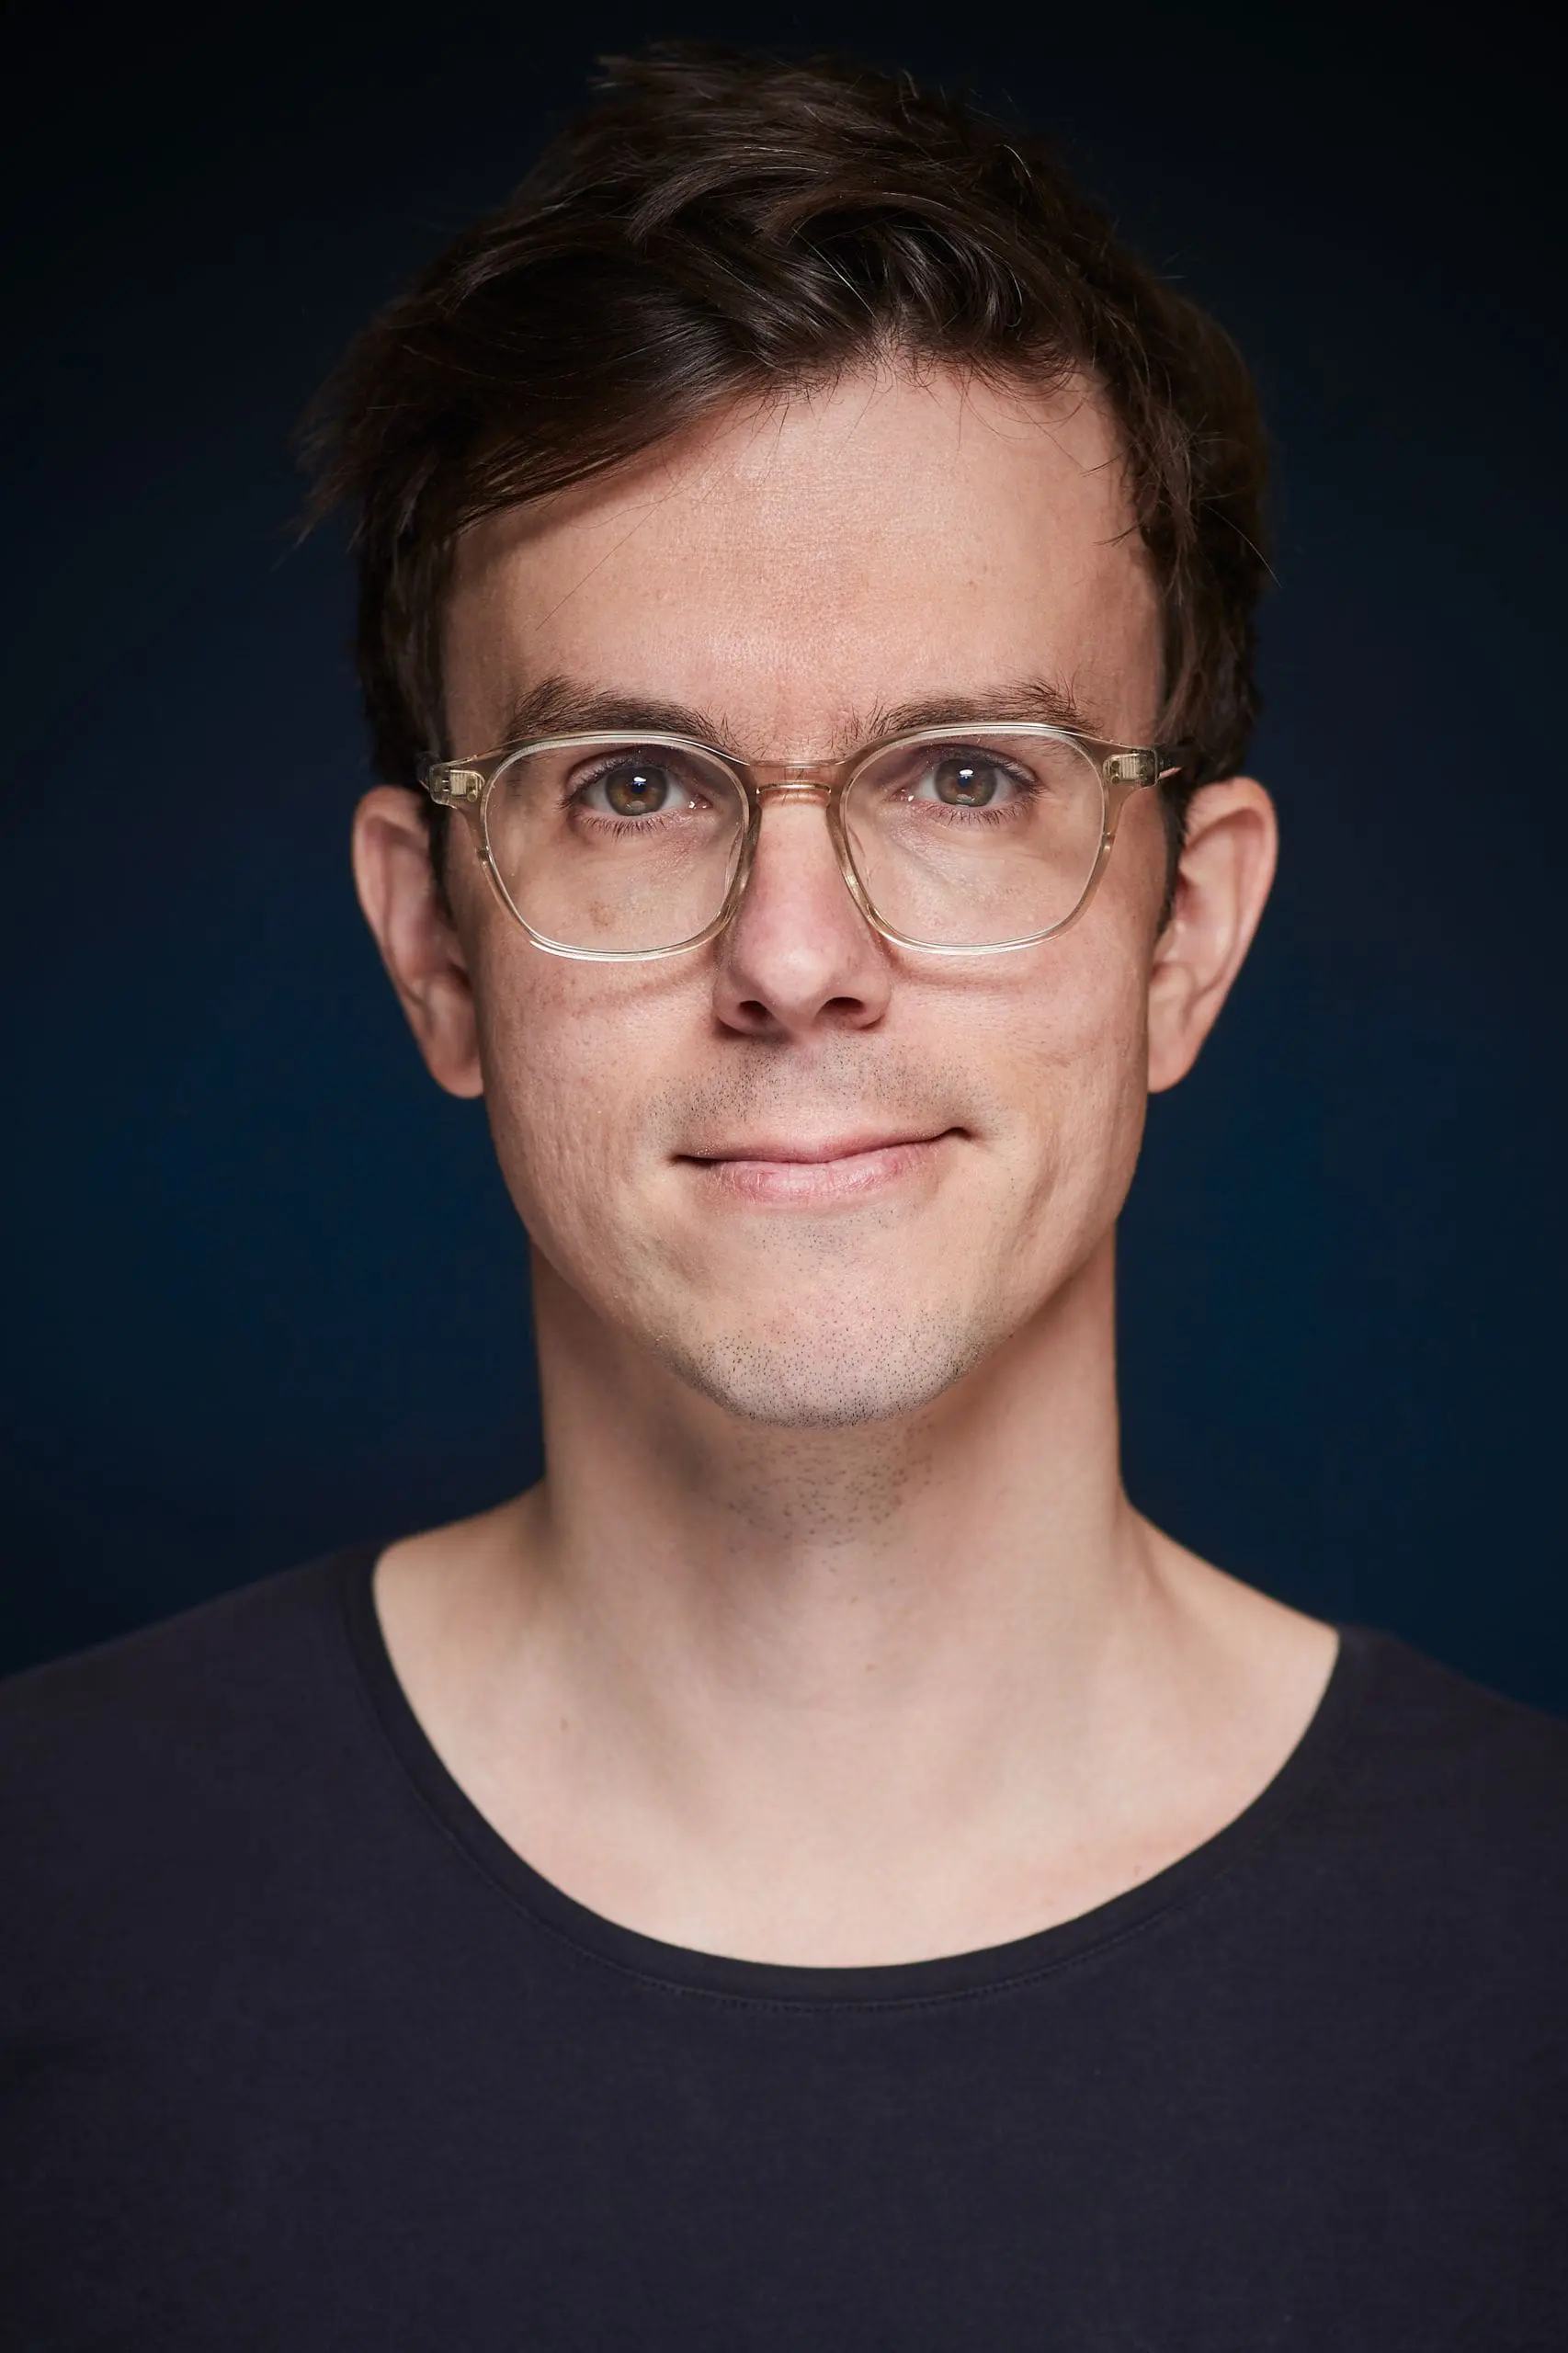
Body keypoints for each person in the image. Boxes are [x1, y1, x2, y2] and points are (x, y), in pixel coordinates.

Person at [3, 44, 1564, 2351]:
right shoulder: (43, 1895)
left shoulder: (1531, 1962)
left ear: (1187, 935)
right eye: (631, 783)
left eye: (967, 775)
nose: (796, 956)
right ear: (432, 943)